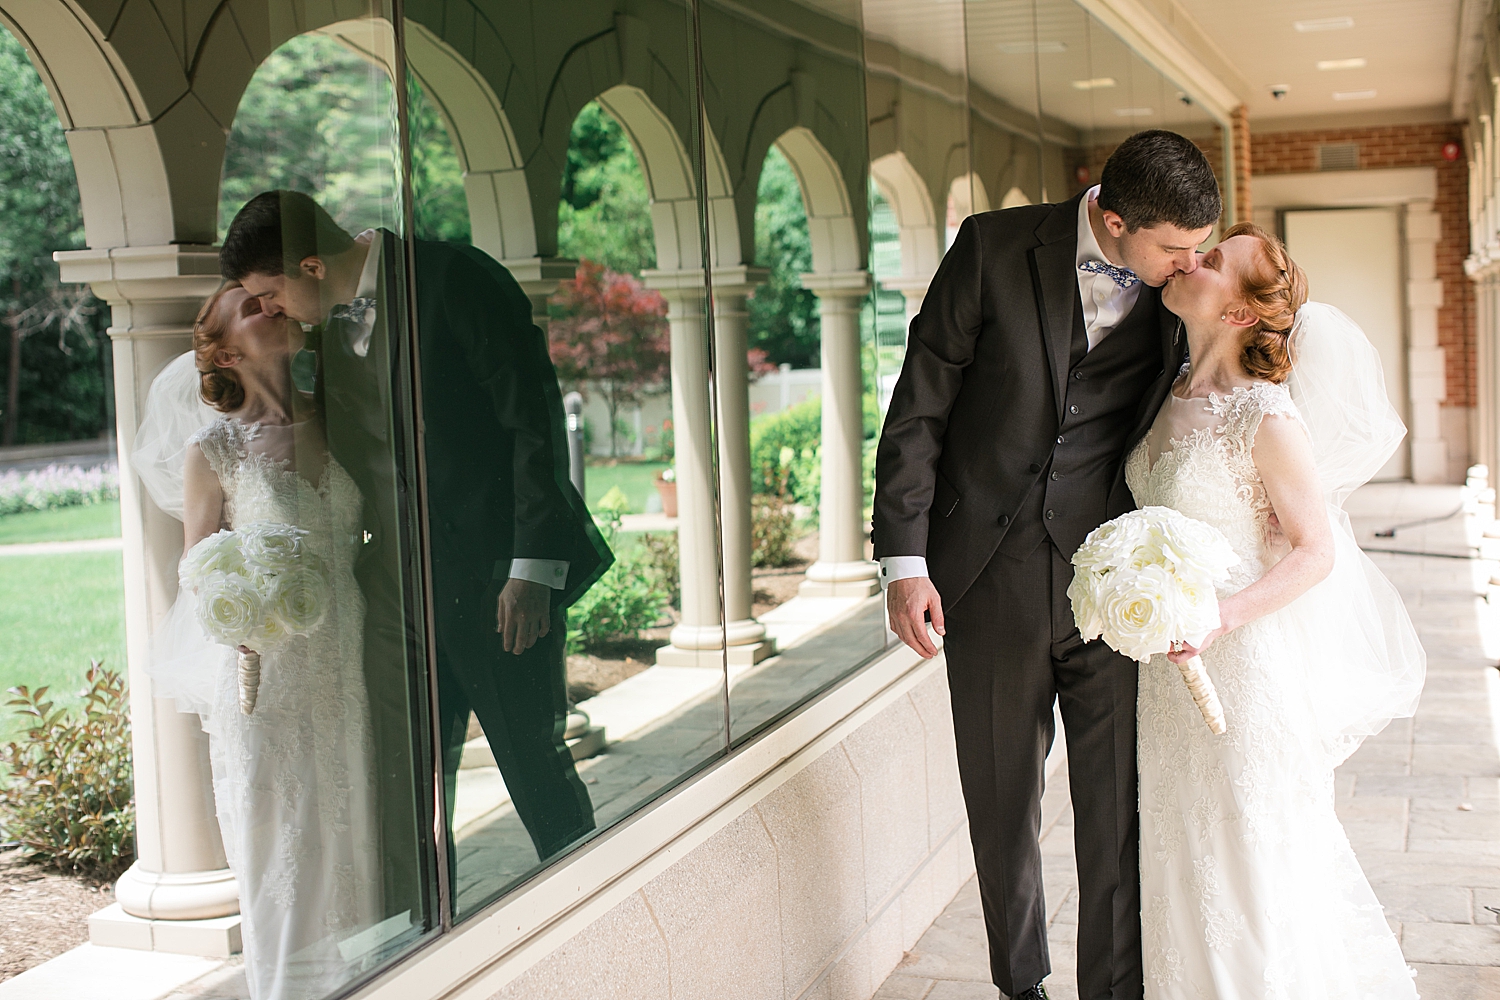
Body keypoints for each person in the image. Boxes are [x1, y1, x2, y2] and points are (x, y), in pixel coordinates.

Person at [873, 130, 1221, 1000]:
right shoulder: (991, 248)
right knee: (1002, 801)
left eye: (1197, 247)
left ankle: (1113, 989)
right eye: (1172, 249)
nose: (1189, 265)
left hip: (1115, 587)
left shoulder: (1179, 293)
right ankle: (1018, 981)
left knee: (1115, 807)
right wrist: (904, 561)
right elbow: (920, 407)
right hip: (987, 577)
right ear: (1109, 216)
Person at [218, 192, 612, 882]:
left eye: (271, 293)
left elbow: (533, 421)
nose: (272, 309)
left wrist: (530, 569)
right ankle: (432, 941)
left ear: (310, 265)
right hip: (394, 594)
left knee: (533, 770)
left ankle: (594, 918)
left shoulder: (456, 277)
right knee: (405, 791)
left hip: (500, 590)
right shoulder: (330, 333)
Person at [1130, 223, 1422, 997]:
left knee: (1247, 876)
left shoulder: (1266, 417)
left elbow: (1315, 550)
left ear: (1237, 315)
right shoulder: (1160, 392)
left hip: (1241, 677)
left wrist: (1217, 617)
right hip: (1165, 689)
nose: (1194, 259)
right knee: (1180, 866)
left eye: (1215, 259)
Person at [134, 285, 381, 1000]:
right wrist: (240, 616)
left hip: (349, 659)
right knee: (287, 850)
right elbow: (199, 569)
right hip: (268, 680)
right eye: (251, 306)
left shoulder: (344, 420)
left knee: (356, 834)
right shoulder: (213, 449)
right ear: (225, 349)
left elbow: (367, 532)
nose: (271, 305)